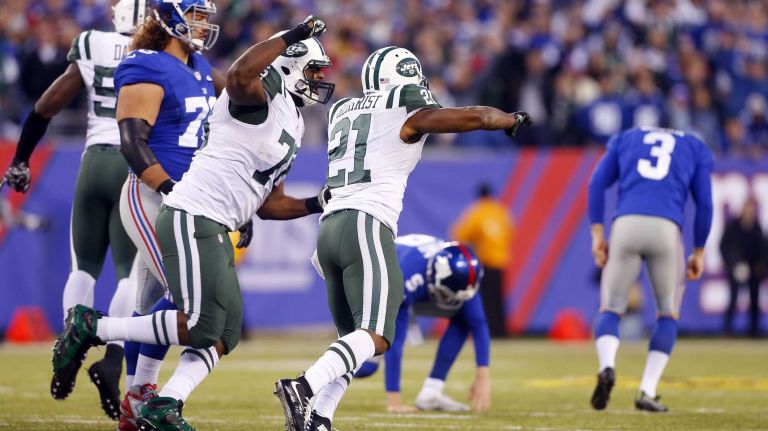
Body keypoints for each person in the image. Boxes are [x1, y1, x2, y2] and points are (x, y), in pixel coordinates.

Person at [50, 14, 332, 431]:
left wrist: (318, 202)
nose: (319, 79)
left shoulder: (289, 117)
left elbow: (271, 204)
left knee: (226, 331)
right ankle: (99, 334)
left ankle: (163, 401)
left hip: (217, 220)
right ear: (289, 64)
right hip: (192, 209)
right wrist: (291, 34)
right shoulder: (260, 92)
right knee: (199, 319)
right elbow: (238, 75)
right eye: (312, 68)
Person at [275, 45, 532, 431]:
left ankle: (320, 419)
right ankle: (304, 386)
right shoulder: (401, 106)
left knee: (353, 342)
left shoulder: (343, 109)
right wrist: (510, 119)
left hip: (329, 230)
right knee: (378, 335)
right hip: (366, 223)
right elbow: (475, 116)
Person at [2, 0, 146, 420]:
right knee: (129, 274)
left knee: (82, 269)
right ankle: (113, 360)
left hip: (93, 157)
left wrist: (22, 157)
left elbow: (47, 105)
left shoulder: (92, 44)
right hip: (134, 161)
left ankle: (68, 347)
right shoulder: (160, 52)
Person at [588, 126, 713, 412]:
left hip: (626, 224)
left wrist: (597, 235)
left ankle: (607, 366)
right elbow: (704, 203)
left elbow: (596, 183)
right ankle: (647, 389)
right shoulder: (694, 145)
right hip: (666, 228)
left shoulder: (626, 137)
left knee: (611, 309)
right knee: (667, 314)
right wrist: (699, 252)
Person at [342, 234, 491, 415]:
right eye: (447, 295)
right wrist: (394, 401)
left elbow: (479, 323)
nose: (452, 302)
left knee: (464, 317)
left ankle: (432, 391)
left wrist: (483, 375)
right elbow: (394, 341)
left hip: (419, 285)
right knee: (367, 366)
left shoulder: (459, 276)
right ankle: (323, 375)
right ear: (435, 277)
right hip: (377, 282)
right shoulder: (406, 276)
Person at [451, 183, 514, 337]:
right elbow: (510, 232)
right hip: (500, 260)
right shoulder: (501, 212)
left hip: (485, 261)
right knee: (498, 299)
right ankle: (501, 331)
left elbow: (460, 234)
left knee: (485, 300)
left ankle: (487, 331)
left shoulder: (477, 212)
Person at [720, 197, 765, 337]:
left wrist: (761, 266)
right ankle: (727, 330)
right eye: (747, 208)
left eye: (751, 209)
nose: (748, 212)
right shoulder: (733, 226)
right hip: (736, 267)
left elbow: (763, 249)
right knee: (733, 297)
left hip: (753, 270)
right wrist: (733, 264)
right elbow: (724, 246)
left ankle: (754, 331)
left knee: (755, 297)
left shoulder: (757, 228)